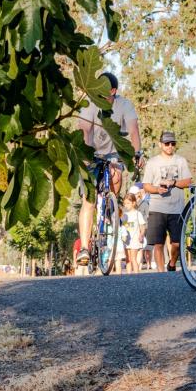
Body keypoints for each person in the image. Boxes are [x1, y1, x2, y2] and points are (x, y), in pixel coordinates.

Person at [76, 72, 144, 266]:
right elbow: (85, 130)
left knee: (116, 175)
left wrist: (138, 152)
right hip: (92, 153)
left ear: (113, 91)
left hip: (115, 154)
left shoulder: (124, 105)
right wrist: (86, 156)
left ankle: (110, 207)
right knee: (88, 200)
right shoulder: (91, 103)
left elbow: (133, 129)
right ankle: (85, 248)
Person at [141, 131, 192, 272]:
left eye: (173, 143)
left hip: (177, 208)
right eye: (167, 143)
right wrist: (157, 189)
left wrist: (174, 182)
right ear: (160, 144)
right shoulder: (152, 162)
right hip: (157, 207)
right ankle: (161, 273)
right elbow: (146, 185)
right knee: (158, 244)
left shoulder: (180, 161)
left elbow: (188, 182)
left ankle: (172, 263)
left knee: (176, 243)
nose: (170, 146)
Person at [121, 193, 146, 274]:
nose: (126, 205)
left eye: (128, 203)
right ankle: (129, 276)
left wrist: (141, 235)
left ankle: (136, 276)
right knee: (128, 259)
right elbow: (123, 227)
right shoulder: (124, 215)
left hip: (135, 239)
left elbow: (142, 226)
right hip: (126, 240)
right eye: (125, 203)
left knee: (133, 258)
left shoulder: (137, 213)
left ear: (134, 203)